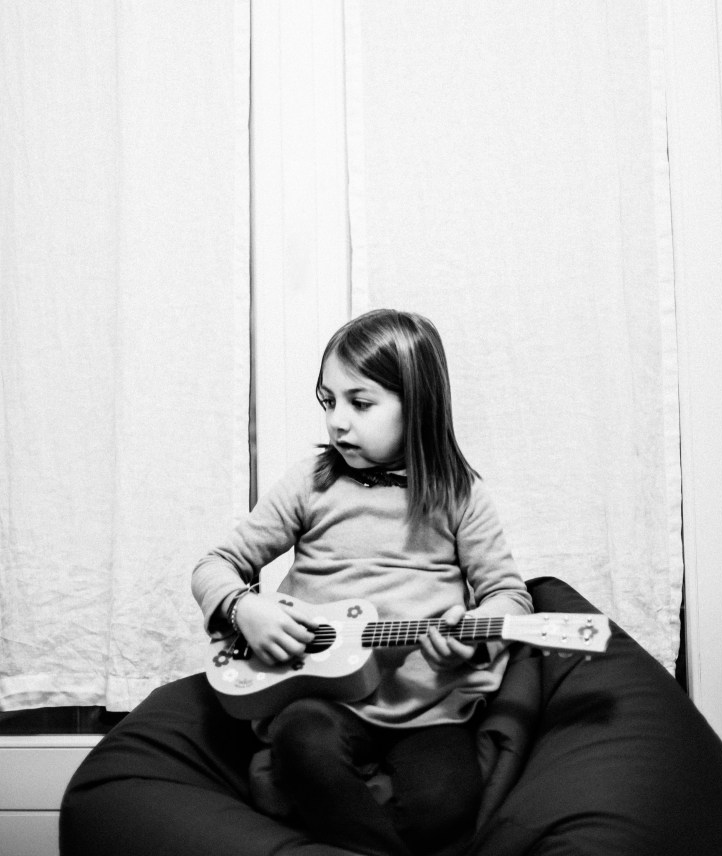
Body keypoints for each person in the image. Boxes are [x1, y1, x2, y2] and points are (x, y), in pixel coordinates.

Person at [192, 309, 532, 856]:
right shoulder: (311, 483)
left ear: (417, 404)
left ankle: (316, 803)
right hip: (322, 699)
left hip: (426, 708)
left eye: (360, 403)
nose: (337, 422)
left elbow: (509, 596)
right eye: (329, 402)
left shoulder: (459, 494)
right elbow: (216, 565)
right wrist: (244, 609)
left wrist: (472, 637)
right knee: (302, 740)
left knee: (446, 807)